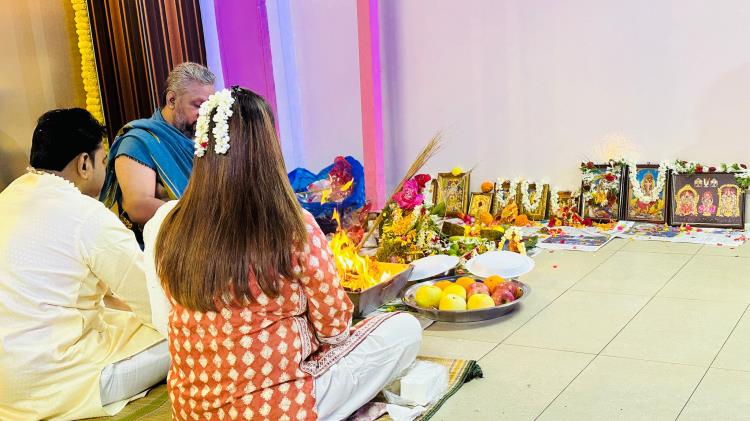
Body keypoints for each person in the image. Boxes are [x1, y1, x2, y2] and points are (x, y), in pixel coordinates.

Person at [143, 87, 422, 421]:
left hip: (192, 411)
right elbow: (334, 328)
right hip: (278, 408)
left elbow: (169, 322)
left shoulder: (170, 225)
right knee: (404, 328)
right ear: (268, 149)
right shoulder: (292, 225)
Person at [0, 109, 168, 420]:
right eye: (104, 162)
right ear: (84, 164)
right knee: (187, 336)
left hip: (5, 388)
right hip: (57, 385)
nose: (105, 171)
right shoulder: (88, 215)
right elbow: (153, 302)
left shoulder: (7, 198)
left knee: (117, 315)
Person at [100, 62, 216, 244]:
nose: (205, 114)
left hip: (209, 243)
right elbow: (137, 206)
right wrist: (204, 216)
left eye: (209, 108)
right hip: (167, 249)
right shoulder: (139, 141)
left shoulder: (205, 138)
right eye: (198, 105)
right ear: (171, 100)